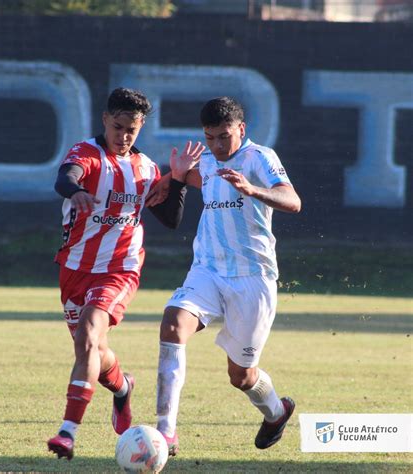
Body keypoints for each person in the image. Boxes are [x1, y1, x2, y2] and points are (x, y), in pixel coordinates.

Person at [47, 87, 205, 460]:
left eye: (131, 130)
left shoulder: (146, 169)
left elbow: (170, 219)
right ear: (106, 120)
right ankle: (122, 388)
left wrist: (178, 181)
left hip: (120, 269)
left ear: (141, 127)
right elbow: (64, 178)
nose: (124, 136)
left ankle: (67, 432)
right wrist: (76, 191)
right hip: (74, 268)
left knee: (89, 331)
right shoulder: (86, 154)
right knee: (94, 351)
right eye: (118, 127)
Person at [154, 96, 301, 456]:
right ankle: (165, 433)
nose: (217, 146)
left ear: (241, 129)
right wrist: (173, 177)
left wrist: (253, 190)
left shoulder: (259, 158)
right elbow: (187, 182)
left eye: (224, 137)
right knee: (173, 323)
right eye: (210, 138)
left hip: (253, 276)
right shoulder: (205, 160)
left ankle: (277, 412)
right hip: (208, 269)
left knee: (241, 376)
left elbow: (292, 200)